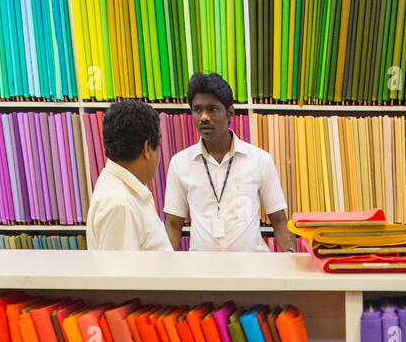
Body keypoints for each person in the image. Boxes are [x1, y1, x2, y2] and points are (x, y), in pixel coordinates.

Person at [163, 72, 294, 253]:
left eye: (212, 109)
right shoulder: (180, 163)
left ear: (230, 113)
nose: (204, 117)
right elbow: (173, 224)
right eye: (197, 110)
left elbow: (279, 220)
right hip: (203, 272)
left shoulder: (260, 160)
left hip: (252, 271)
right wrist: (165, 270)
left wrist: (291, 257)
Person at [86, 100, 172, 251]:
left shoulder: (124, 190)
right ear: (146, 149)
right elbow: (122, 273)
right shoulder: (120, 204)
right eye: (158, 146)